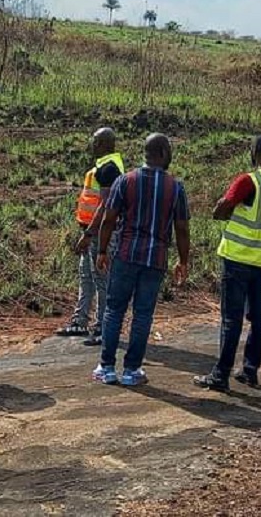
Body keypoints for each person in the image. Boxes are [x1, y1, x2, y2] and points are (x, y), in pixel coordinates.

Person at [89, 133, 190, 387]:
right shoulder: (175, 187)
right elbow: (182, 228)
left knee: (114, 310)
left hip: (125, 255)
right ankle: (132, 370)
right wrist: (183, 259)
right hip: (155, 259)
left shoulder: (126, 181)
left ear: (146, 153)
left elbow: (109, 218)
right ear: (164, 154)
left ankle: (107, 367)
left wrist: (101, 250)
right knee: (142, 315)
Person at [195, 134, 261, 391]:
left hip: (236, 258)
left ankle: (220, 375)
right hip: (260, 261)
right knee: (257, 318)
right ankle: (249, 370)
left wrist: (221, 210)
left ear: (255, 151)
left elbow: (221, 209)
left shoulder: (248, 180)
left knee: (231, 319)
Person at [59, 127, 124, 344]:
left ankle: (103, 327)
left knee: (101, 280)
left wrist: (89, 233)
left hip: (100, 233)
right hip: (92, 231)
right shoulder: (104, 166)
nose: (93, 146)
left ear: (106, 144)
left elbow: (106, 205)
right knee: (86, 276)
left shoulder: (109, 169)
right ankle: (80, 321)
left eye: (96, 142)